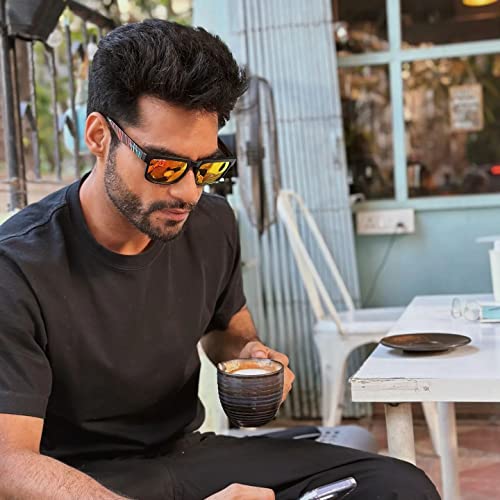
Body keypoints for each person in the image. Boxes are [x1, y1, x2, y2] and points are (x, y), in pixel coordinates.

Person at [0, 20, 440, 500]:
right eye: (164, 166)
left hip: (187, 455)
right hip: (78, 480)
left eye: (205, 167)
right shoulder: (17, 266)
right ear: (99, 136)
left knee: (397, 486)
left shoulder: (211, 224)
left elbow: (228, 332)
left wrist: (250, 356)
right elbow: (10, 463)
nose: (188, 192)